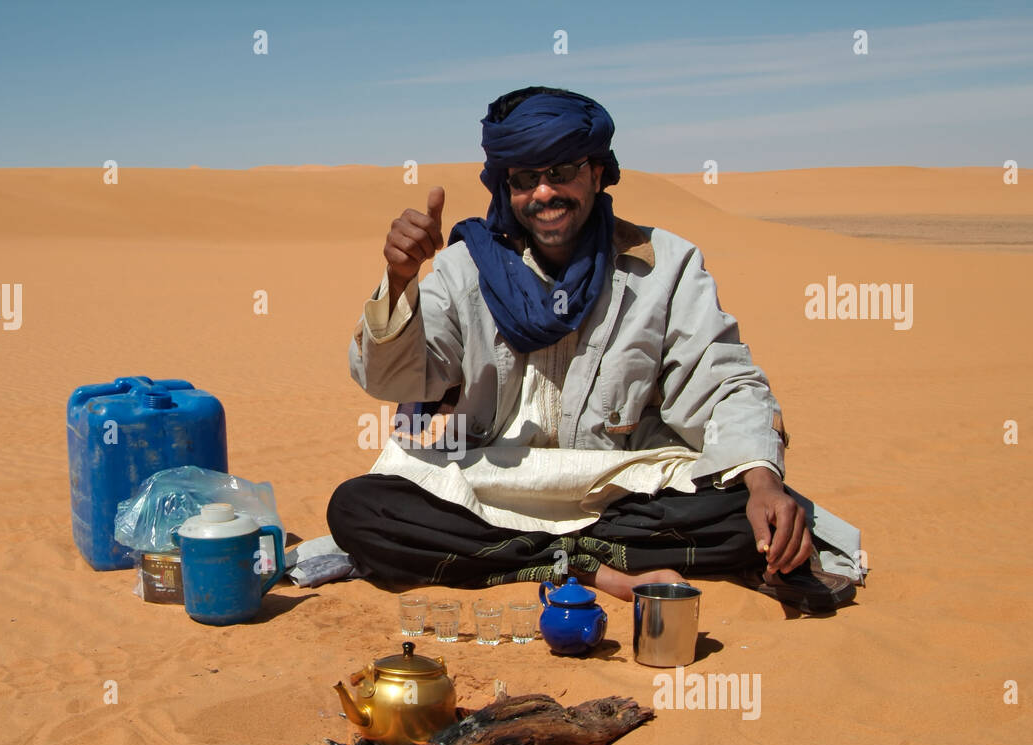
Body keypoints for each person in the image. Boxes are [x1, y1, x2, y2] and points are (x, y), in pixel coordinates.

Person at [326, 87, 857, 612]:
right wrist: (399, 283)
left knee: (749, 507)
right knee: (360, 508)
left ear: (598, 172)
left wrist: (761, 481)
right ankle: (593, 565)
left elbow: (722, 382)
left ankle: (535, 559)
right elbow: (396, 381)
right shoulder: (463, 269)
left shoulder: (664, 266)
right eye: (526, 179)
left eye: (561, 173)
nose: (544, 193)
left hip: (620, 486)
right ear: (504, 187)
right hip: (493, 485)